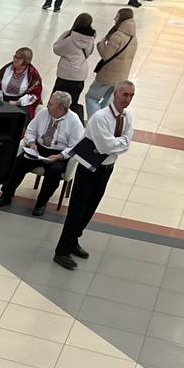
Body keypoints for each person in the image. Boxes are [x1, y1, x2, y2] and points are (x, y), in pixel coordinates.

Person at [54, 81, 135, 269]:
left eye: (131, 96)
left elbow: (127, 141)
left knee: (91, 207)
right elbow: (105, 146)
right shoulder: (100, 117)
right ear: (115, 94)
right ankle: (62, 251)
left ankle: (74, 240)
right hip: (90, 167)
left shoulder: (127, 117)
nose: (128, 99)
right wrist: (121, 143)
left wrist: (120, 143)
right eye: (125, 95)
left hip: (107, 167)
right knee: (77, 209)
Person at [0, 90, 86, 215]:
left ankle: (41, 203)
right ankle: (6, 194)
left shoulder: (74, 121)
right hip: (39, 148)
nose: (48, 105)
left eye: (51, 104)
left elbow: (75, 145)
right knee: (18, 163)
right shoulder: (44, 112)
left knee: (54, 172)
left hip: (59, 154)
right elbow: (30, 130)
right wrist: (31, 143)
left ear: (61, 108)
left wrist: (59, 156)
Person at [85, 7, 136, 116]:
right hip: (121, 76)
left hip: (107, 75)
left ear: (122, 19)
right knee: (108, 102)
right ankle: (104, 121)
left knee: (92, 97)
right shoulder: (133, 37)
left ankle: (95, 121)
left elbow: (106, 55)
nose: (114, 18)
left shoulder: (118, 36)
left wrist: (101, 44)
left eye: (117, 16)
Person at [51, 14, 95, 121]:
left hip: (65, 76)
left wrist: (64, 35)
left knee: (55, 102)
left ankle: (53, 122)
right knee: (72, 103)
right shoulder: (91, 39)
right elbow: (89, 53)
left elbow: (56, 49)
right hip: (79, 77)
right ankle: (69, 124)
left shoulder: (70, 39)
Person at [0, 47, 44, 118]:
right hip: (2, 99)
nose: (15, 60)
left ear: (26, 61)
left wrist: (17, 103)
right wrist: (0, 100)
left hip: (21, 103)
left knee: (19, 117)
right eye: (15, 56)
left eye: (19, 58)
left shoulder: (33, 74)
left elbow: (34, 94)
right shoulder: (6, 69)